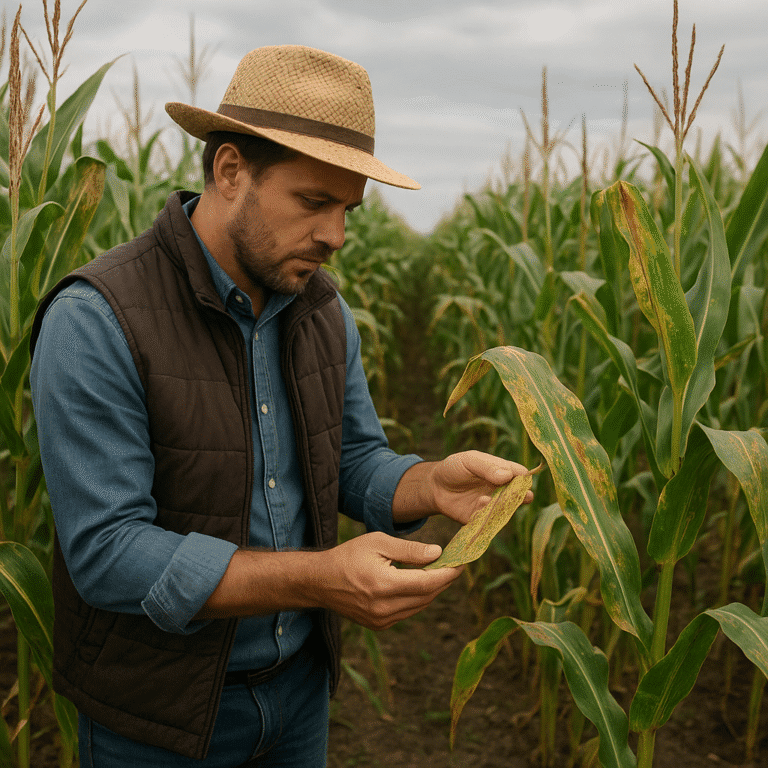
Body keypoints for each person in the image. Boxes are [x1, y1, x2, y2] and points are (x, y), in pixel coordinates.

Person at [30, 45, 531, 767]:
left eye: (349, 209)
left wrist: (427, 482)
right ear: (230, 170)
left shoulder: (321, 310)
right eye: (314, 202)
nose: (337, 236)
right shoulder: (99, 318)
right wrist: (318, 577)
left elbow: (350, 458)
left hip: (297, 703)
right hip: (156, 723)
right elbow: (108, 553)